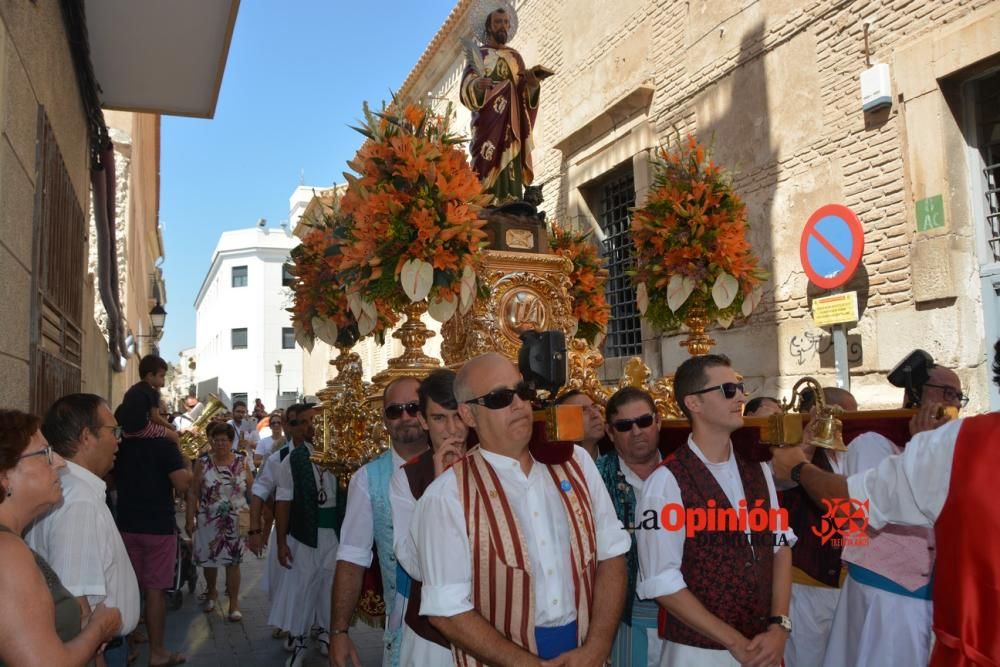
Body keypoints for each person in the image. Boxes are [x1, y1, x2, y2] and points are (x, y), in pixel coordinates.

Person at [411, 353, 630, 664]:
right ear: (468, 415)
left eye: (523, 392)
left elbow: (611, 554)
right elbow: (446, 610)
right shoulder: (447, 495)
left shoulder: (576, 463)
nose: (518, 404)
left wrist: (597, 647)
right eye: (500, 398)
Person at [637, 354, 795, 667]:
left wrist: (780, 626)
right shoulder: (666, 482)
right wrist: (734, 641)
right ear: (693, 403)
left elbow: (779, 546)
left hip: (764, 645)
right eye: (727, 390)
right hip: (698, 654)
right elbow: (661, 581)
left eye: (739, 387)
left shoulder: (759, 469)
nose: (740, 397)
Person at [24, 394, 141, 667]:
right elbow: (77, 605)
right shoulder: (79, 500)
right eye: (113, 431)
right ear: (87, 437)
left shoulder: (72, 490)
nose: (119, 439)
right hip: (96, 650)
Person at [0, 409, 122, 667]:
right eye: (44, 454)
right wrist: (99, 628)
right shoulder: (7, 552)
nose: (60, 462)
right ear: (5, 476)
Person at [330, 377, 429, 667]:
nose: (405, 417)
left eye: (413, 407)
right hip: (405, 627)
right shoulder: (368, 479)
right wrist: (338, 631)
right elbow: (351, 557)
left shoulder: (458, 464)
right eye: (394, 411)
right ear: (384, 421)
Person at [390, 370, 470, 666]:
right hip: (431, 638)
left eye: (458, 416)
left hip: (496, 623)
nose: (452, 429)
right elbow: (414, 565)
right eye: (439, 418)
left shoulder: (492, 463)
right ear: (423, 421)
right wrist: (439, 489)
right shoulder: (407, 479)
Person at [114, 375, 193, 667]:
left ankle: (131, 641)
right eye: (158, 411)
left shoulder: (120, 444)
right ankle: (157, 651)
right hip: (158, 527)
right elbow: (183, 484)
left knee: (130, 585)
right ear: (150, 413)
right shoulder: (164, 444)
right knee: (156, 590)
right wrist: (185, 459)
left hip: (126, 524)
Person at [780, 387, 856, 667]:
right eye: (841, 415)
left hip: (847, 582)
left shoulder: (852, 453)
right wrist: (805, 448)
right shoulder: (796, 455)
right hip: (806, 583)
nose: (847, 423)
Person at [596, 386, 664, 667]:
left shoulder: (685, 472)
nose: (637, 431)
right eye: (625, 426)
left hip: (686, 616)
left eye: (644, 421)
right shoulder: (594, 477)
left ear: (658, 421)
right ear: (610, 433)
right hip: (623, 616)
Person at [272, 403, 340, 667]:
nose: (313, 426)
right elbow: (283, 501)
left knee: (330, 585)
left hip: (335, 534)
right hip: (305, 535)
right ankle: (299, 641)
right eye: (307, 422)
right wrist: (281, 543)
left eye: (317, 419)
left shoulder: (341, 455)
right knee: (302, 586)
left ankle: (325, 632)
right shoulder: (294, 459)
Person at [459, 1, 541, 204]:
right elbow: (466, 88)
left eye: (506, 22)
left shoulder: (515, 57)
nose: (503, 26)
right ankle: (487, 200)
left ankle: (512, 199)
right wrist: (478, 86)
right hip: (488, 122)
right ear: (489, 25)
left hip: (512, 122)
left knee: (511, 158)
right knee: (485, 160)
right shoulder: (479, 55)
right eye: (498, 22)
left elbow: (524, 96)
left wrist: (532, 85)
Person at [249, 404, 311, 649]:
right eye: (296, 422)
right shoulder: (278, 459)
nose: (305, 427)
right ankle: (289, 625)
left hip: (318, 534)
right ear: (286, 427)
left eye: (308, 421)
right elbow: (259, 492)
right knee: (285, 583)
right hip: (289, 532)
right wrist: (255, 530)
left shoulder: (327, 453)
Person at [184, 422, 252, 622]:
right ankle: (212, 592)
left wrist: (256, 518)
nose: (220, 443)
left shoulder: (242, 461)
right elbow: (193, 491)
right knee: (209, 560)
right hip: (209, 518)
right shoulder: (202, 463)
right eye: (216, 439)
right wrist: (189, 518)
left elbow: (251, 489)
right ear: (211, 441)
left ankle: (234, 604)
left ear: (231, 442)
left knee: (234, 562)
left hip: (236, 519)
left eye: (224, 440)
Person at [115, 354, 179, 445]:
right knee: (174, 436)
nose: (163, 380)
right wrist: (170, 426)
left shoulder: (133, 389)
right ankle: (182, 458)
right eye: (161, 376)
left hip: (127, 432)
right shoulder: (152, 392)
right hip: (141, 429)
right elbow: (155, 417)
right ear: (150, 375)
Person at [555, 390, 606, 460]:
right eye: (583, 410)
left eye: (594, 406)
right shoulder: (557, 466)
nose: (595, 415)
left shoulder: (618, 454)